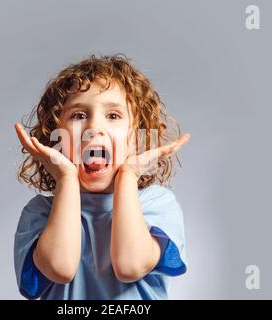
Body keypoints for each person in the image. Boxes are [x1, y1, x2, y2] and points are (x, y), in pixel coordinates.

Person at [13, 54, 191, 299]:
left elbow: (130, 266)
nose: (94, 128)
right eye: (78, 115)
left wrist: (128, 175)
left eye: (113, 116)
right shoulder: (40, 213)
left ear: (134, 139)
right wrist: (66, 178)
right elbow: (60, 268)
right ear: (56, 138)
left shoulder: (157, 205)